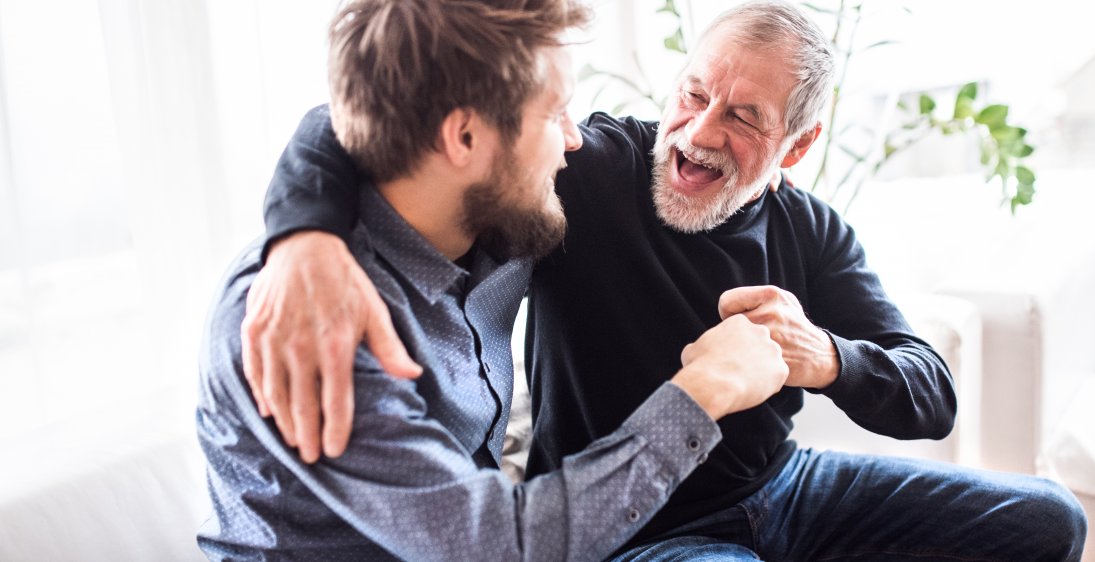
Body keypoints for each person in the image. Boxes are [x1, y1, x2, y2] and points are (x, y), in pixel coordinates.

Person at [247, 1, 1089, 560]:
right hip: (635, 525)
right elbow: (366, 115)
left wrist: (823, 356)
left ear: (795, 148)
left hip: (784, 489)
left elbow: (931, 395)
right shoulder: (588, 167)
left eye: (744, 117)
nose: (699, 131)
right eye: (694, 94)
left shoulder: (811, 229)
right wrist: (302, 237)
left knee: (1053, 522)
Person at [196, 0, 794, 559]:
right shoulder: (316, 320)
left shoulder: (496, 217)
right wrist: (705, 391)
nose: (573, 138)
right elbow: (496, 546)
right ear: (464, 137)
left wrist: (304, 229)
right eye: (554, 111)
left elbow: (343, 118)